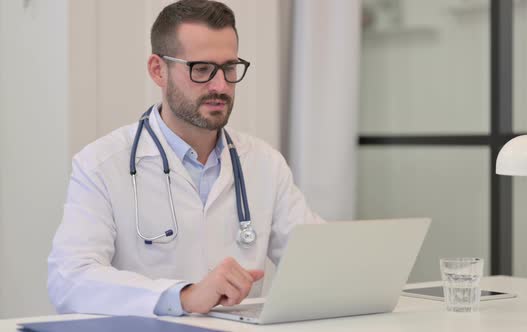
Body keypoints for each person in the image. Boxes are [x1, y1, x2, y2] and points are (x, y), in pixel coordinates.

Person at [47, 0, 323, 317]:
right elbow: (69, 279)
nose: (220, 86)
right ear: (157, 70)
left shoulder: (264, 164)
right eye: (202, 69)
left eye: (229, 68)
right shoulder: (101, 164)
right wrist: (183, 297)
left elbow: (318, 262)